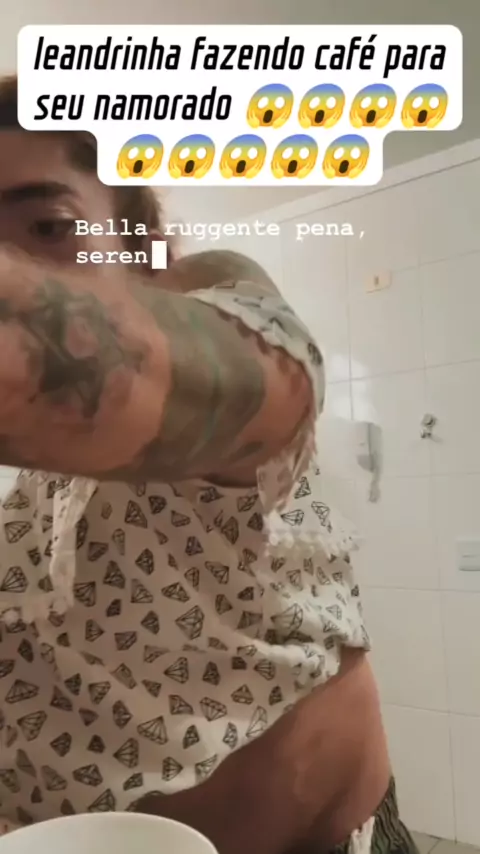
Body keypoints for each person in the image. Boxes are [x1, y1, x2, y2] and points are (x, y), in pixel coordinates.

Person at [0, 75, 415, 854]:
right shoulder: (24, 507)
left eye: (48, 226)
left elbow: (247, 380)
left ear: (145, 253)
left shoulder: (217, 311)